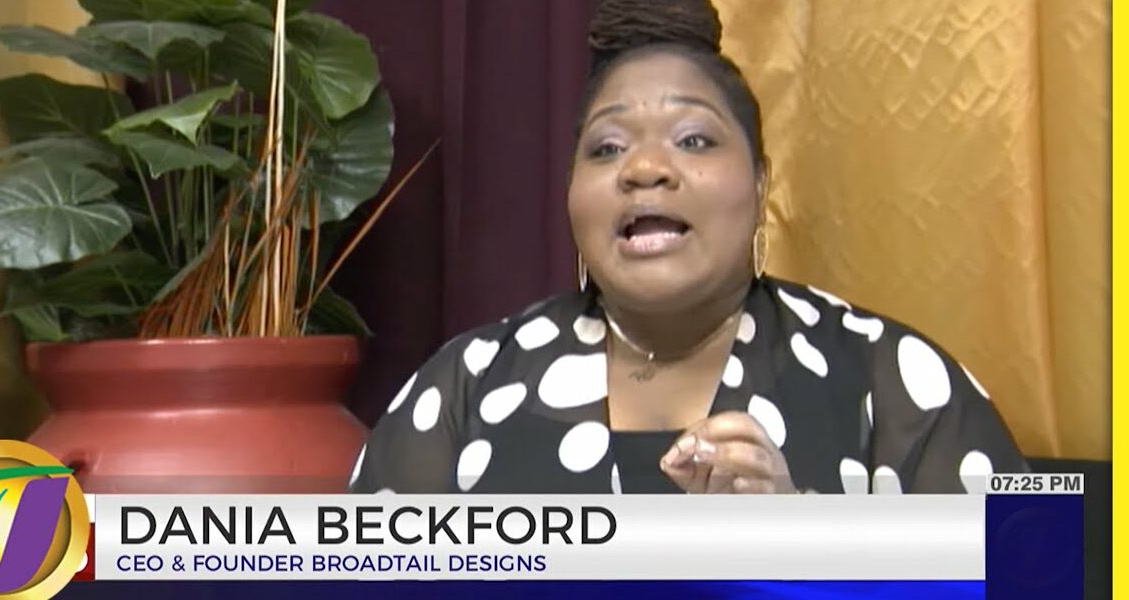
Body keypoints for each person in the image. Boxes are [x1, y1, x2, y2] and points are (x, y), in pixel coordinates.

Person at [350, 0, 1027, 495]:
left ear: (760, 185)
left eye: (694, 140)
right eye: (606, 148)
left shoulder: (894, 382)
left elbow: (1033, 576)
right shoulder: (466, 387)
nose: (644, 168)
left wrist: (809, 553)